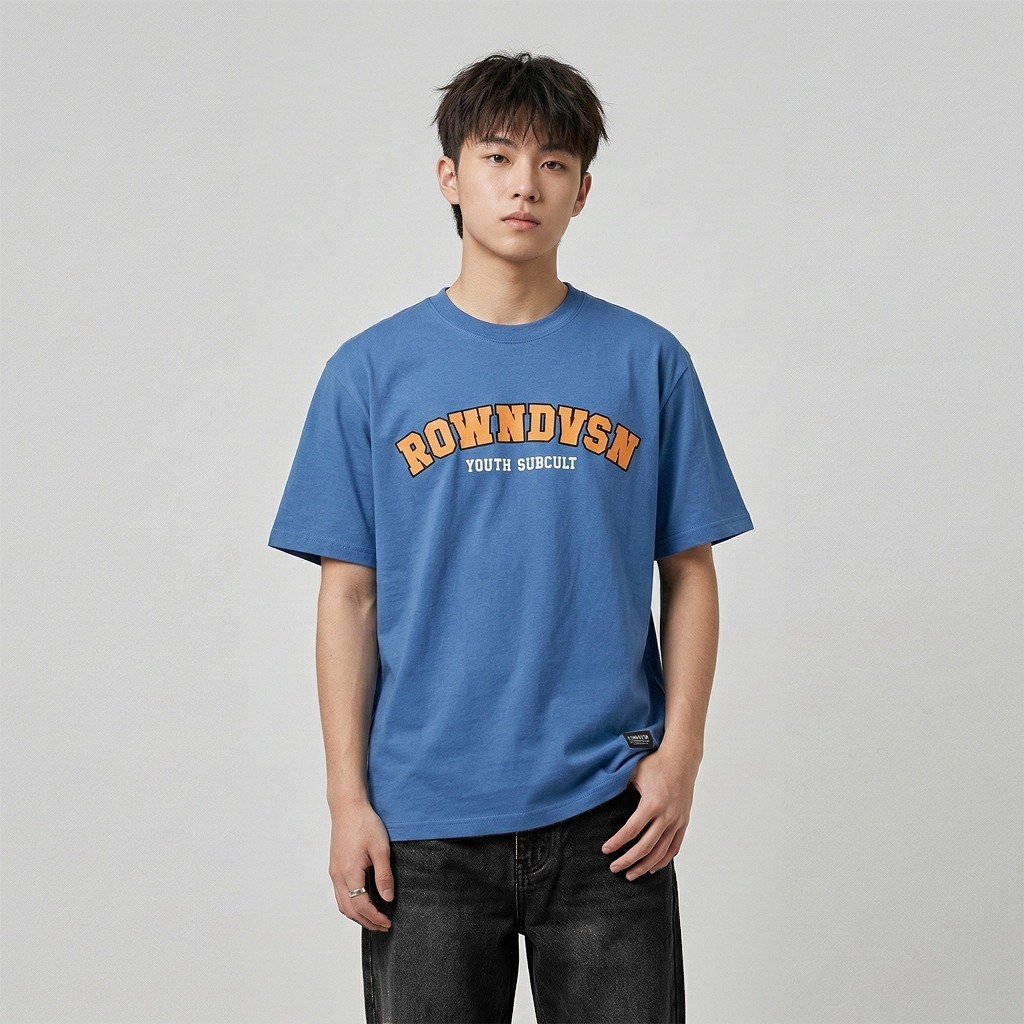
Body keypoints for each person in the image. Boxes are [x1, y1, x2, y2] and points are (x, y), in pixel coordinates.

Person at [268, 49, 753, 1024]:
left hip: (608, 814)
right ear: (450, 177)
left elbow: (690, 570)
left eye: (553, 163)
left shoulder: (646, 362)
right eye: (497, 157)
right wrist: (345, 800)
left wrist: (681, 755)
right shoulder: (369, 374)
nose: (524, 184)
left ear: (582, 191)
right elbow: (347, 596)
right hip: (423, 824)